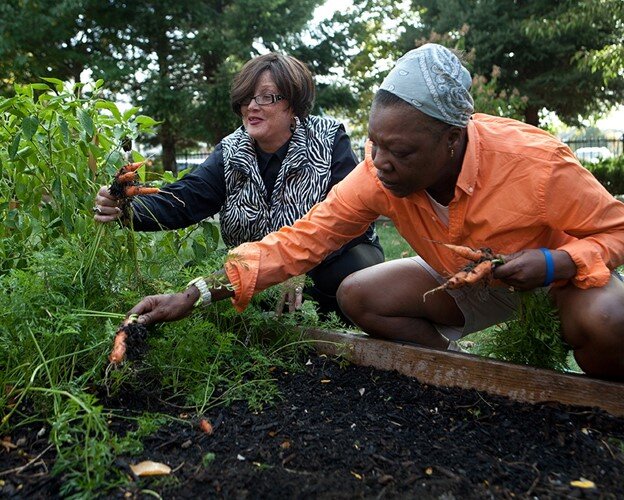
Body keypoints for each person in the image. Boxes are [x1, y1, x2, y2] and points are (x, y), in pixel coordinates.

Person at [127, 44, 624, 381]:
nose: (381, 163)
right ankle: (461, 374)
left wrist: (555, 263)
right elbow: (299, 241)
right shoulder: (376, 171)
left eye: (401, 152)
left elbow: (617, 230)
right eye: (375, 144)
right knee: (359, 296)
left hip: (557, 283)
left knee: (610, 320)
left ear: (452, 140)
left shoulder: (534, 163)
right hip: (466, 281)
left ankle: (600, 410)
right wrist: (195, 293)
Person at [94, 52, 383, 318]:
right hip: (260, 270)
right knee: (208, 278)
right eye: (246, 98)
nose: (252, 107)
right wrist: (126, 207)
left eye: (266, 97)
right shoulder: (232, 151)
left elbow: (352, 222)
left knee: (353, 272)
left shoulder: (327, 139)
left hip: (327, 265)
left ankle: (336, 328)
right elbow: (186, 199)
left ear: (293, 104)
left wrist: (299, 268)